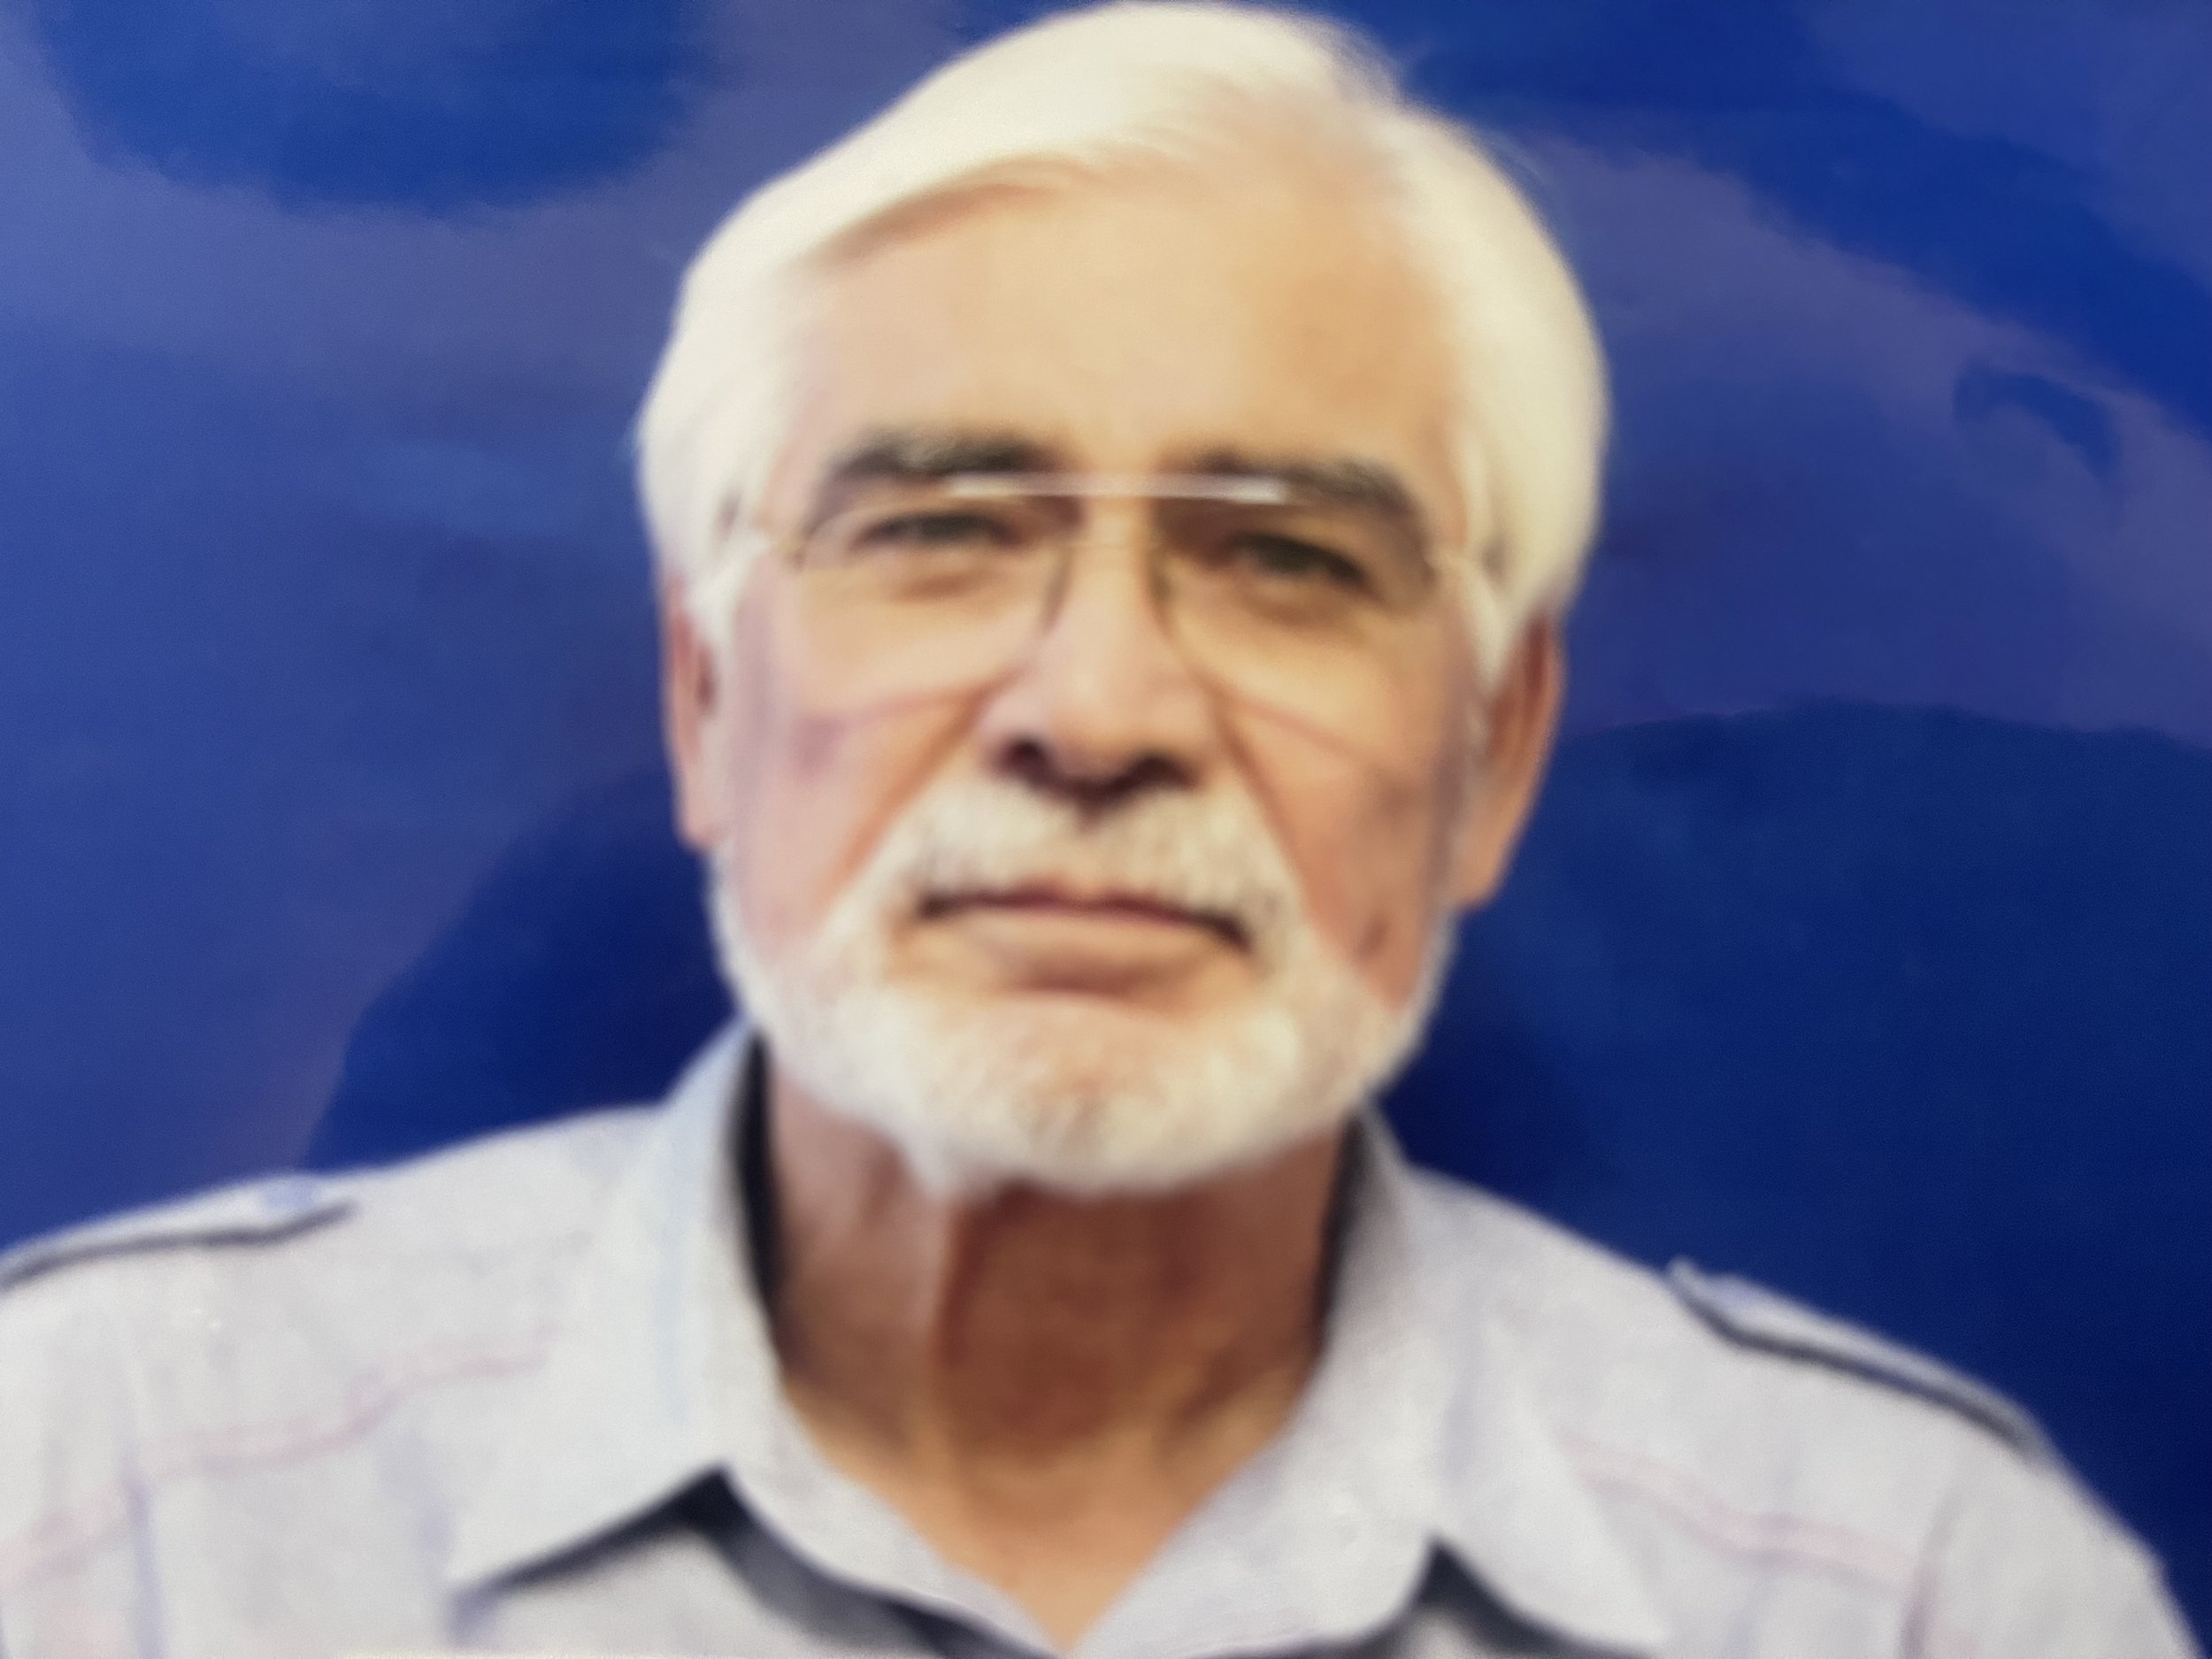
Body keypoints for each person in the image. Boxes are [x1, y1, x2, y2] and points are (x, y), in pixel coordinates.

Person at [0, 4, 2196, 1655]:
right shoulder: (106, 1492)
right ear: (703, 699)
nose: (1097, 713)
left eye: (1285, 561)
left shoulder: (1903, 1588)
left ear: (1496, 754)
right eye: (941, 531)